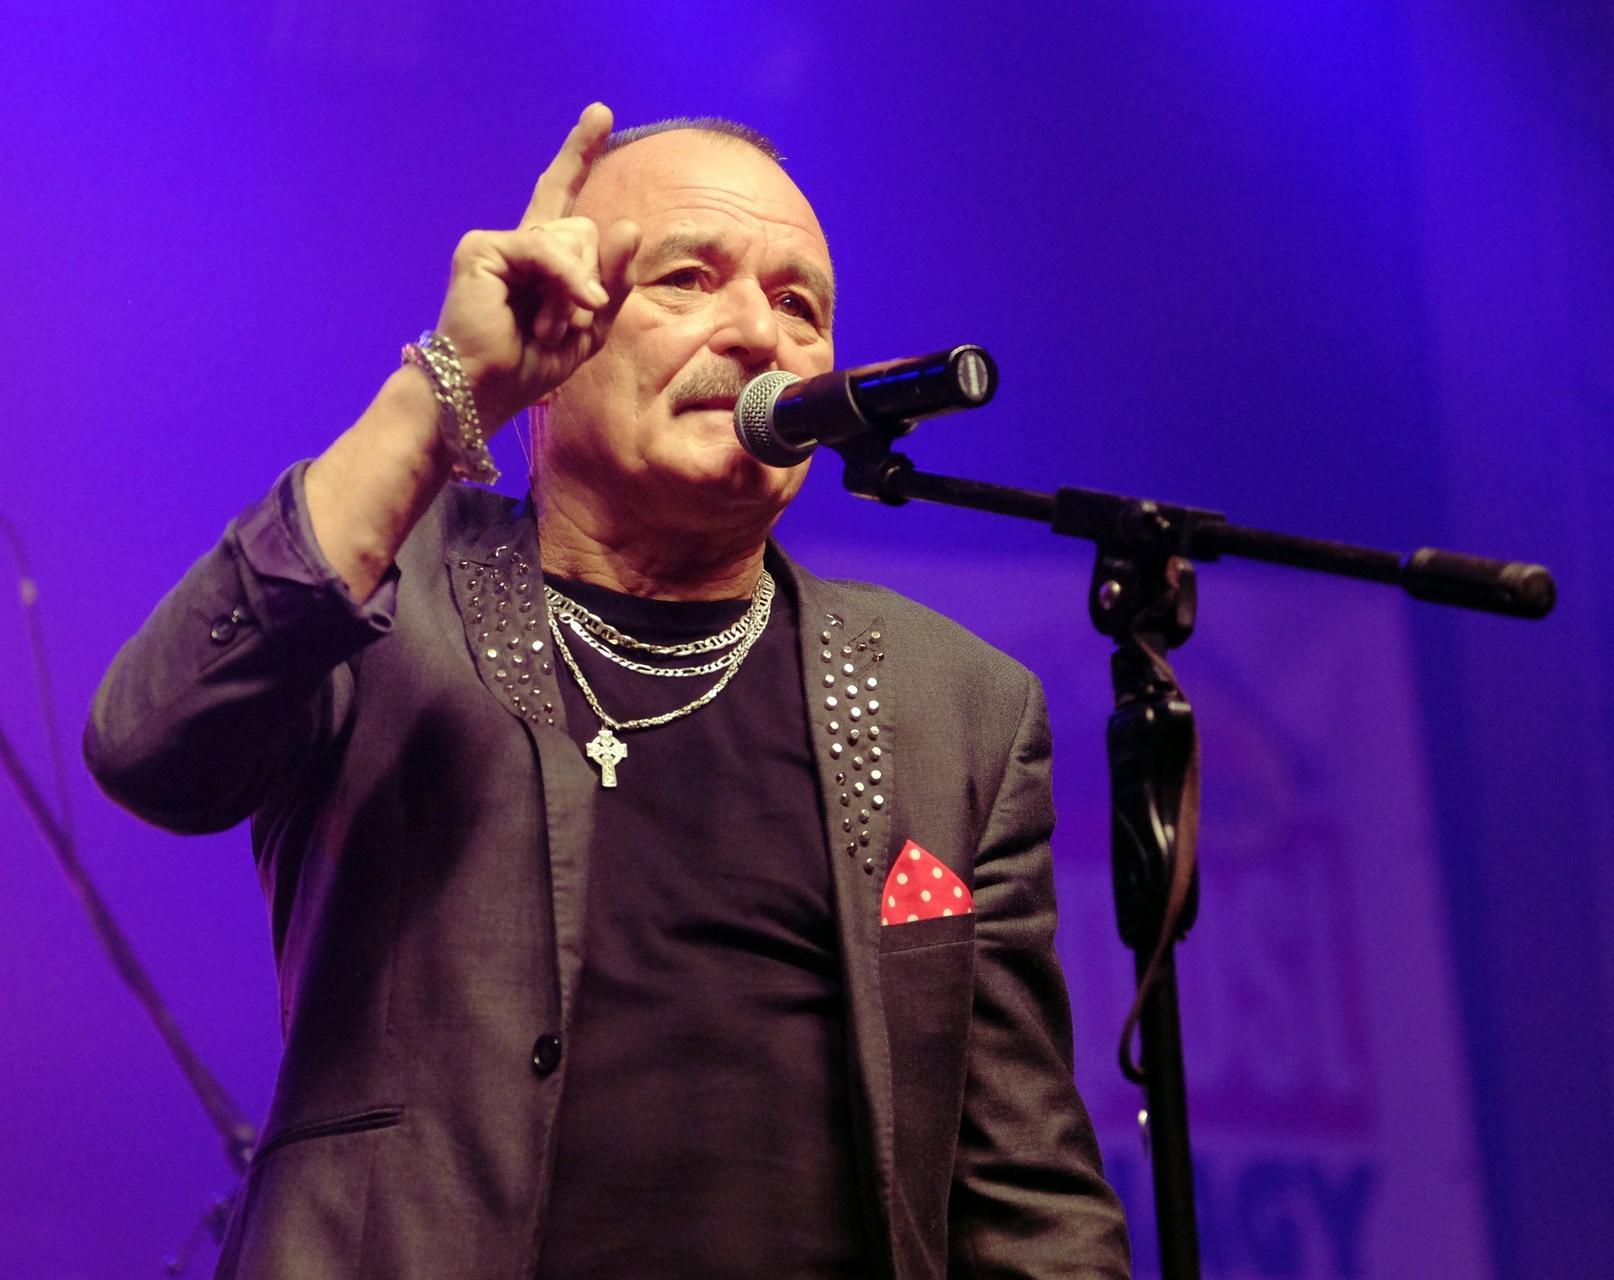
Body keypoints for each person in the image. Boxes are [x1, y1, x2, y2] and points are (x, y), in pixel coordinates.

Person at [85, 103, 1130, 1279]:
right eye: (688, 278)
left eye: (801, 305)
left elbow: (1027, 1201)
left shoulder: (955, 705)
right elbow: (149, 742)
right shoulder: (384, 591)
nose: (760, 332)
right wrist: (447, 386)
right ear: (556, 339)